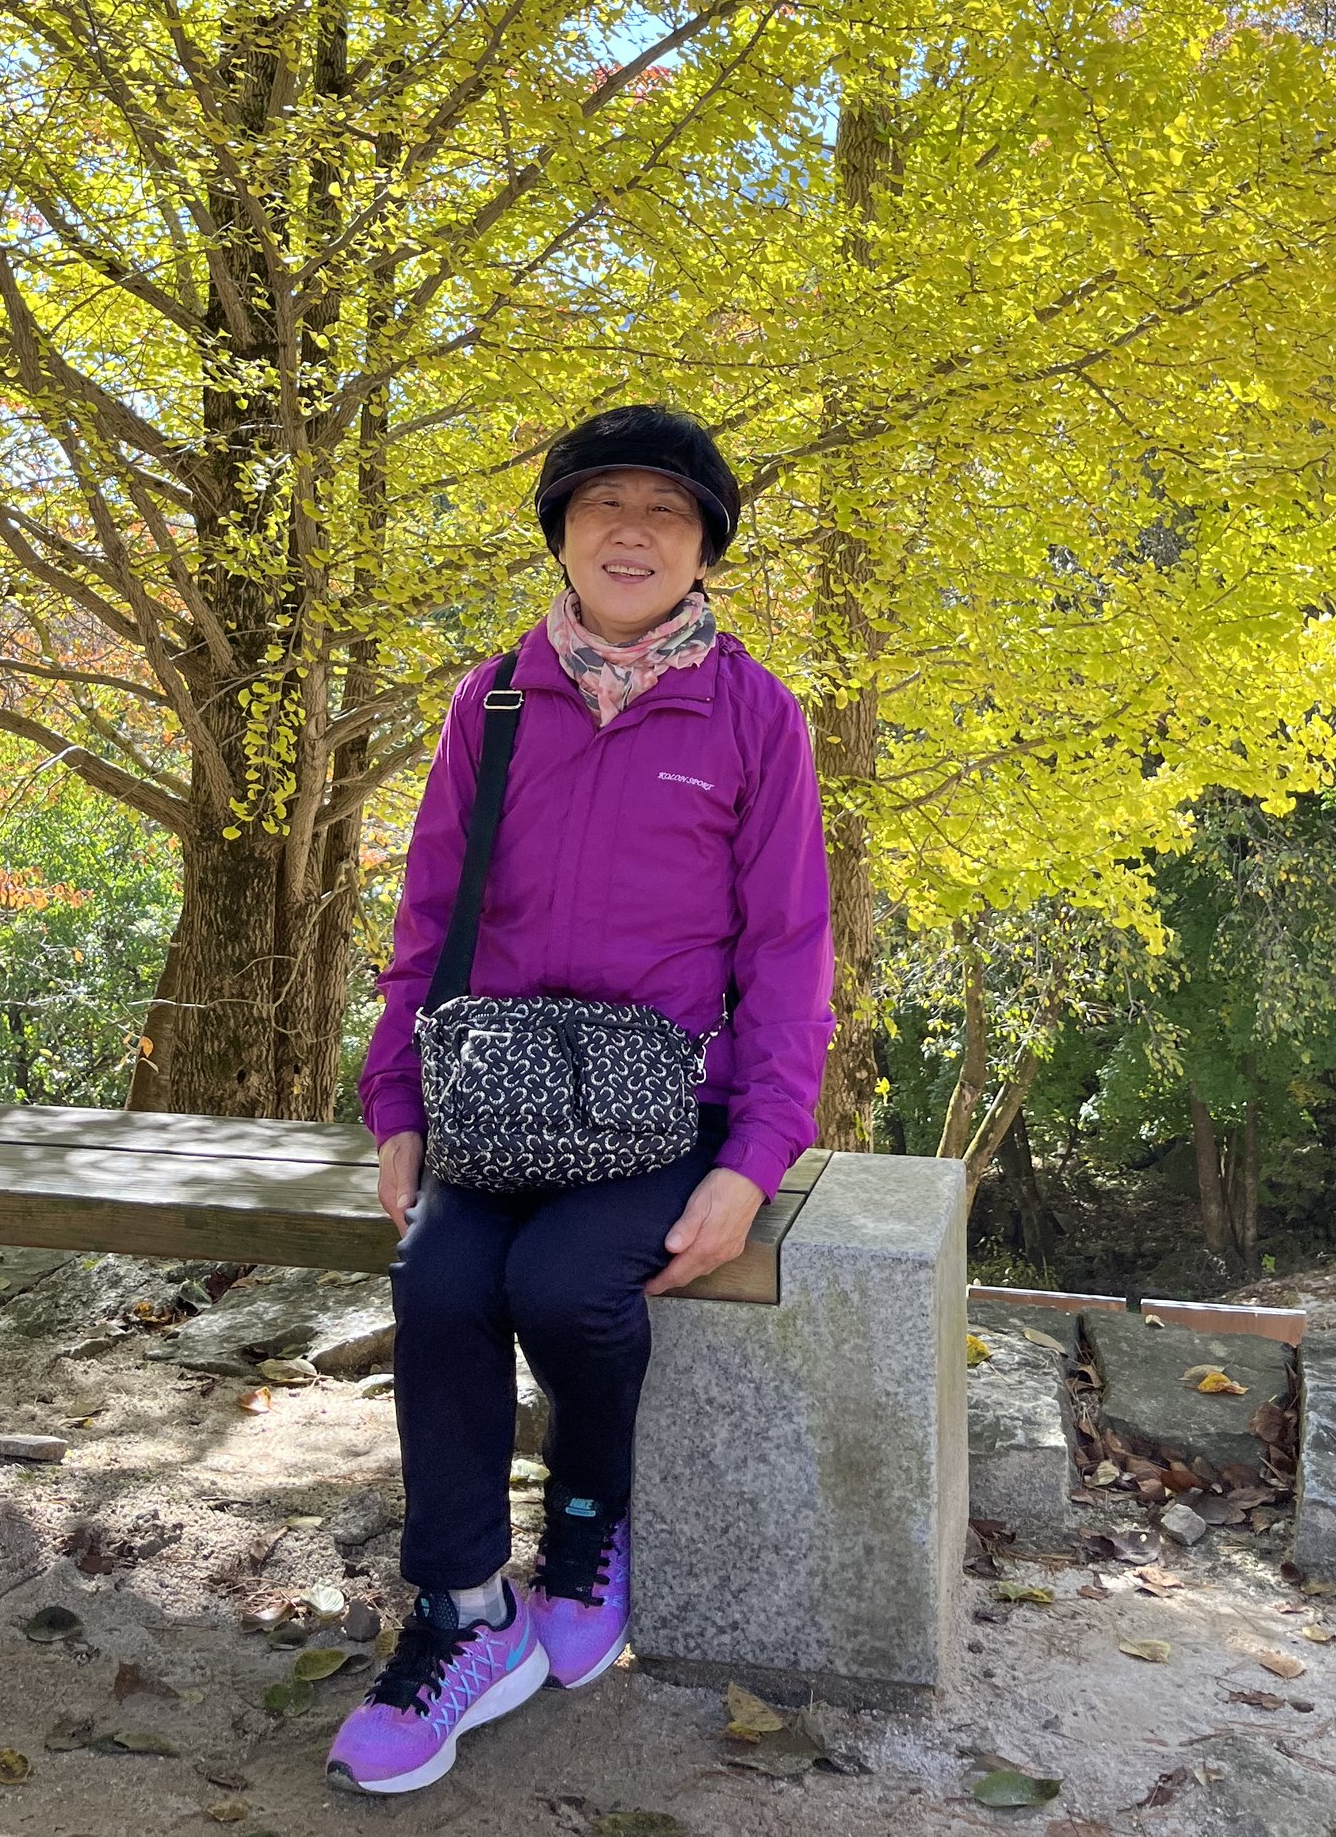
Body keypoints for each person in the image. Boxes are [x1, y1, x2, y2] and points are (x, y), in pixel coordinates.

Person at [326, 404, 835, 1795]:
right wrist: (397, 1103)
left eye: (667, 511)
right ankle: (461, 1615)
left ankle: (586, 1527)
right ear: (561, 533)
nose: (632, 531)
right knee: (439, 1282)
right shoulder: (493, 702)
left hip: (664, 1107)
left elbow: (790, 954)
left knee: (564, 1287)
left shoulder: (752, 716)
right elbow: (429, 917)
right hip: (496, 1093)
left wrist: (754, 1158)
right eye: (604, 503)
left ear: (704, 549)